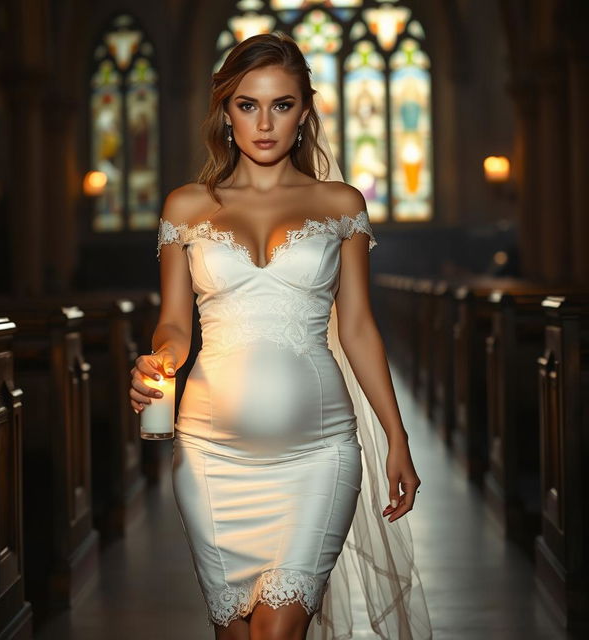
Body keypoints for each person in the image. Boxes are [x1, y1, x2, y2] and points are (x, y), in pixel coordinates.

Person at [130, 32, 431, 640]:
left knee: (276, 633)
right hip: (209, 454)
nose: (264, 122)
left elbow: (358, 328)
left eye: (282, 104)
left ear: (306, 110)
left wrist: (396, 438)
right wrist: (158, 360)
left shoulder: (341, 203)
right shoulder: (186, 206)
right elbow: (174, 324)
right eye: (248, 105)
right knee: (234, 633)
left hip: (319, 453)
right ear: (225, 111)